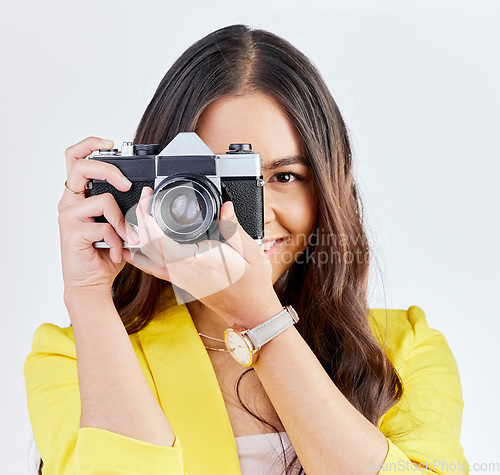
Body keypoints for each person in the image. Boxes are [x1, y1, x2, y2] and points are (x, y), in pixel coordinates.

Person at [25, 25, 468, 474]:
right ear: (153, 185)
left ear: (328, 188)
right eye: (216, 181)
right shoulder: (79, 356)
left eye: (285, 176)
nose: (249, 217)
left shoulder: (402, 350)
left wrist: (258, 318)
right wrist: (87, 292)